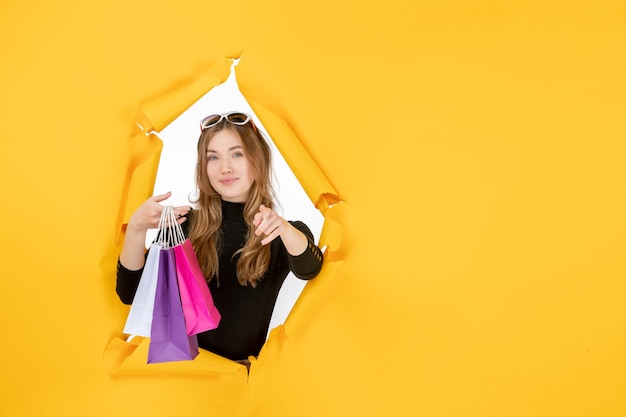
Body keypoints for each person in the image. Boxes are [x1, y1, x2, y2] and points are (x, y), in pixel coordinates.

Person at [116, 112, 324, 366]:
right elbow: (131, 294)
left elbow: (310, 268)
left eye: (237, 154)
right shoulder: (183, 226)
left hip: (240, 386)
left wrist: (285, 229)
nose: (225, 167)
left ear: (258, 160)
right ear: (203, 168)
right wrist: (137, 229)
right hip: (182, 378)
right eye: (213, 157)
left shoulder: (281, 233)